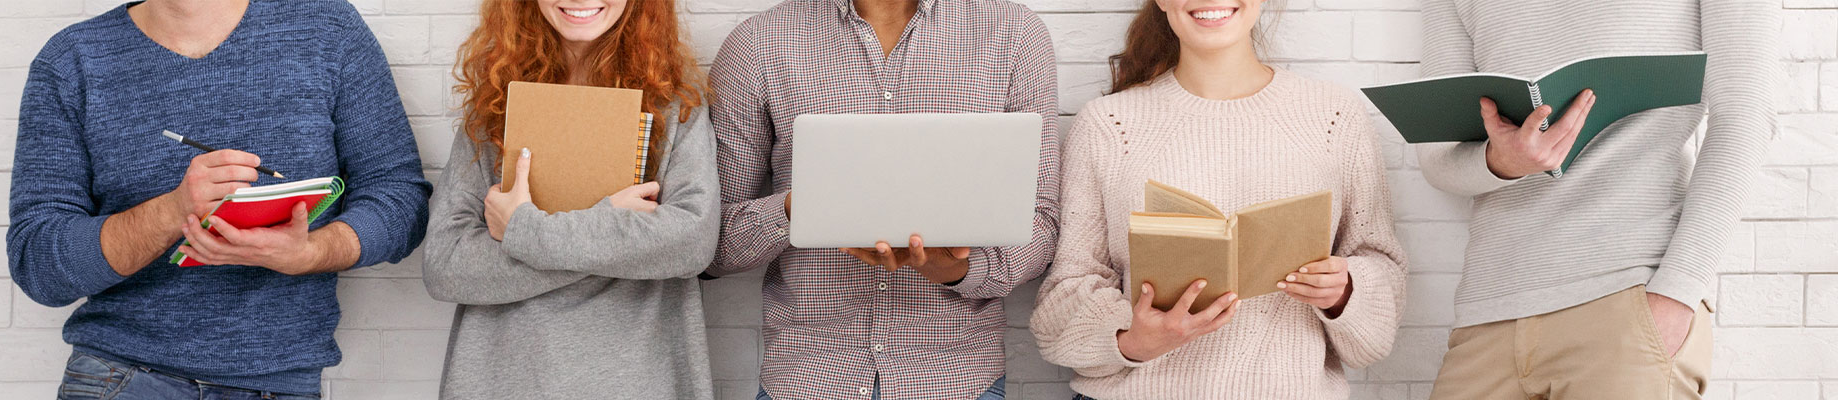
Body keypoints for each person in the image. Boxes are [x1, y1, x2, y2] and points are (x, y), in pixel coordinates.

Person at [6, 0, 431, 398]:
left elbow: (399, 199)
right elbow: (39, 263)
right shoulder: (72, 60)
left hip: (279, 382)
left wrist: (311, 252)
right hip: (120, 376)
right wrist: (173, 210)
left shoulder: (327, 29)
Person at [1027, 0, 1407, 398]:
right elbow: (1062, 299)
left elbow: (1380, 292)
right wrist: (1132, 339)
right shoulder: (1108, 125)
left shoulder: (1334, 116)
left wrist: (1343, 291)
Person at [1416, 1, 1777, 399]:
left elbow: (1746, 114)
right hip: (1487, 316)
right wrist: (1502, 159)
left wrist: (1677, 292)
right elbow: (1437, 154)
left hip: (1629, 305)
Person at [702, 0, 1061, 398]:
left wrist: (955, 268)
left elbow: (1041, 224)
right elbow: (711, 245)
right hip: (808, 374)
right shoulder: (758, 42)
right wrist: (802, 207)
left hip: (957, 376)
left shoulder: (1013, 33)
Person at [417, 0, 719, 398]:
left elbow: (690, 243)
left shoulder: (676, 100)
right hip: (506, 379)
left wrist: (523, 230)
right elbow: (445, 265)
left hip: (639, 380)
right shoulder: (496, 101)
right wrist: (618, 232)